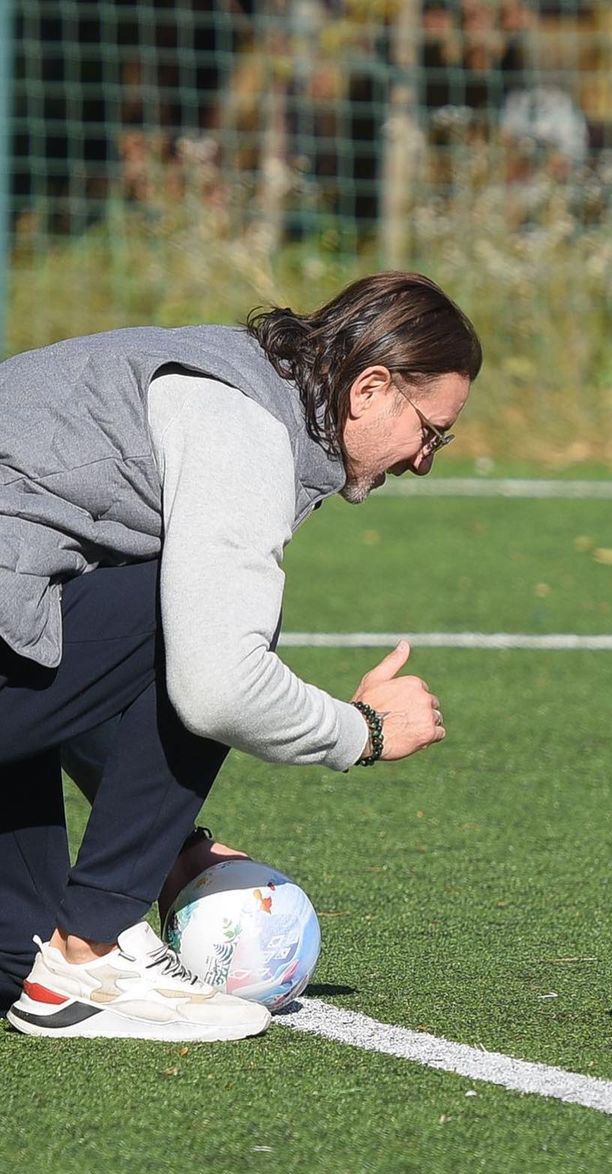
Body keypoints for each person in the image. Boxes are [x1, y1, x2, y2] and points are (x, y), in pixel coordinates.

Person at [0, 271, 482, 1041]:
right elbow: (216, 685)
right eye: (432, 430)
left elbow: (68, 659)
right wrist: (366, 731)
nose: (426, 459)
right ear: (372, 389)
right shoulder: (243, 422)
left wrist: (174, 848)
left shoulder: (226, 373)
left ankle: (68, 956)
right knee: (214, 621)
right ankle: (90, 953)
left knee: (14, 965)